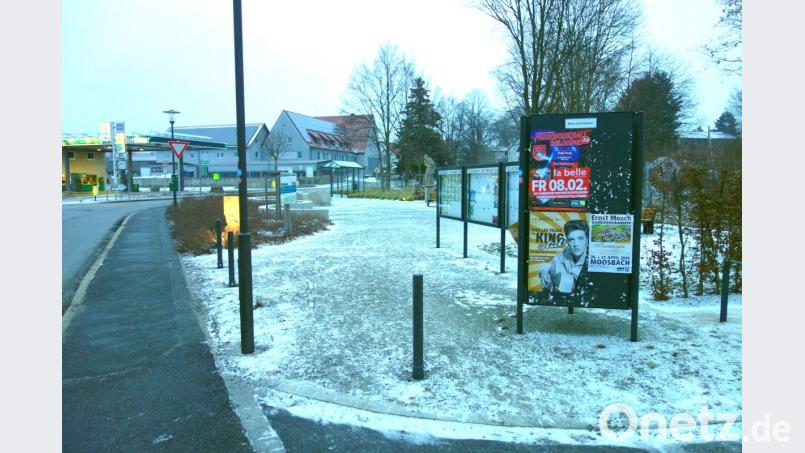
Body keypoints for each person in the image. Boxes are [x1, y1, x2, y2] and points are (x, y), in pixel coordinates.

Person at [539, 219, 589, 295]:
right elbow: (553, 260)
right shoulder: (568, 250)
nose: (576, 244)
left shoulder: (591, 260)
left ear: (587, 239)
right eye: (571, 240)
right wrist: (544, 271)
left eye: (580, 239)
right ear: (567, 242)